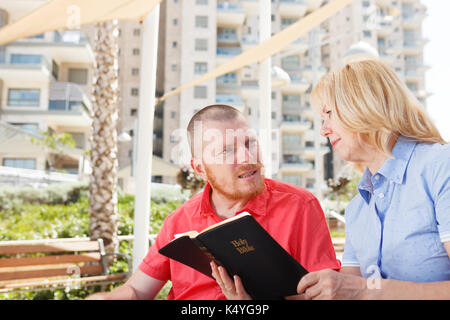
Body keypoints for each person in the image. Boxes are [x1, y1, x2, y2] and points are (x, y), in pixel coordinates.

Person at [87, 104, 340, 300]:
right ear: (200, 169)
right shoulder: (178, 221)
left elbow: (326, 294)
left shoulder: (300, 206)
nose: (247, 156)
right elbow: (137, 291)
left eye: (250, 142)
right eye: (227, 150)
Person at [286, 59, 450, 300]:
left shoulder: (440, 167)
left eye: (329, 114)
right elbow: (348, 293)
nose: (323, 130)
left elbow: (360, 290)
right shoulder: (357, 208)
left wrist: (365, 290)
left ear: (363, 105)